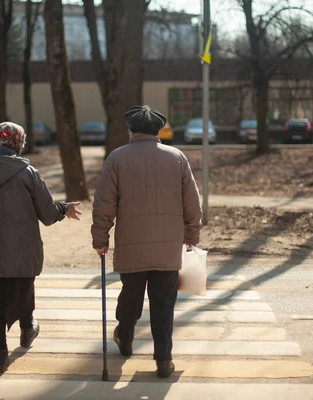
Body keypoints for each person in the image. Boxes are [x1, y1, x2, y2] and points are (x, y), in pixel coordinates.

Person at [0, 122, 81, 373]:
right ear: (19, 143)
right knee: (23, 290)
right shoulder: (28, 172)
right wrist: (64, 208)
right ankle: (27, 329)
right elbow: (48, 214)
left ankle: (0, 352)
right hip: (23, 250)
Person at [91, 105, 203, 378]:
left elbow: (104, 204)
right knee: (164, 305)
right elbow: (193, 204)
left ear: (131, 131)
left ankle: (125, 337)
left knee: (130, 298)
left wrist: (100, 238)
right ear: (158, 132)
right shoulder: (177, 158)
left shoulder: (117, 158)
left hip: (131, 248)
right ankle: (164, 360)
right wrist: (191, 237)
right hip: (168, 249)